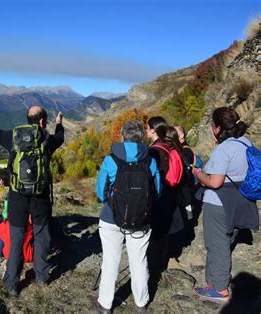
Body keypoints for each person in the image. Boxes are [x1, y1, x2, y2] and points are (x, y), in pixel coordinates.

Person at [0, 106, 64, 296]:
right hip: (40, 197)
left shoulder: (14, 136)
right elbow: (60, 139)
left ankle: (12, 282)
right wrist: (59, 125)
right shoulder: (47, 138)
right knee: (42, 235)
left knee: (17, 237)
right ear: (42, 121)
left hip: (17, 197)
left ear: (28, 119)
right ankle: (42, 276)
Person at [93, 120, 161, 312]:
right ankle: (141, 302)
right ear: (141, 139)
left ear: (122, 138)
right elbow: (157, 191)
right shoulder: (150, 160)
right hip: (141, 218)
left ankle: (105, 303)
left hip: (111, 217)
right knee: (138, 260)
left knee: (110, 260)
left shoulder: (110, 160)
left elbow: (100, 192)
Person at [193, 107, 258, 302]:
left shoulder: (224, 149)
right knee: (226, 241)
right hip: (242, 199)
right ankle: (214, 281)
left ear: (218, 128)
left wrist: (198, 174)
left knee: (218, 244)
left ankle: (220, 288)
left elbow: (215, 182)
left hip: (219, 202)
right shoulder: (246, 143)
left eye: (213, 125)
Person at [145, 117, 185, 272]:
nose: (146, 130)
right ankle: (161, 261)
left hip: (158, 195)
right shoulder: (169, 147)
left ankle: (154, 266)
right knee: (163, 232)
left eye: (147, 128)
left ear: (154, 130)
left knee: (155, 232)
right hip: (170, 194)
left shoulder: (155, 151)